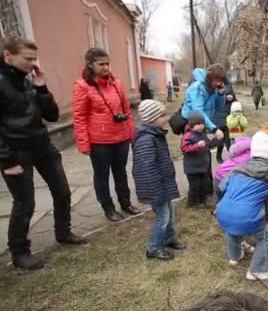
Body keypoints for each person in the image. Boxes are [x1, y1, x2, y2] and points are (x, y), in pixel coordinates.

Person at [0, 36, 88, 270]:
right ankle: (20, 252)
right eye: (27, 59)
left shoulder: (29, 80)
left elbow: (52, 116)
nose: (32, 63)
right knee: (24, 203)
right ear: (8, 56)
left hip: (43, 147)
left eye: (34, 58)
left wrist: (42, 87)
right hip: (16, 153)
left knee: (62, 192)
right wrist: (7, 160)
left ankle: (64, 232)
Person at [216, 131, 268, 281]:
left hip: (223, 212)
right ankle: (257, 270)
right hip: (247, 216)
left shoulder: (239, 168)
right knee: (267, 236)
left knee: (232, 228)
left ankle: (234, 256)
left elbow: (221, 187)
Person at [72, 48, 140, 222]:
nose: (106, 67)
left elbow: (127, 110)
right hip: (99, 141)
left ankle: (126, 203)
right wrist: (84, 143)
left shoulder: (116, 83)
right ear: (90, 64)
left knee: (121, 172)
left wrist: (132, 134)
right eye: (101, 64)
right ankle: (108, 208)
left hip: (121, 137)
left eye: (108, 63)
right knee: (102, 176)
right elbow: (79, 117)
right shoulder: (82, 86)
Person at [132, 99, 186, 260]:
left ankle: (168, 239)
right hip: (155, 187)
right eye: (162, 115)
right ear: (151, 118)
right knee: (163, 217)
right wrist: (156, 191)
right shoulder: (146, 139)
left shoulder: (155, 134)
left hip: (162, 184)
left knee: (170, 212)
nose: (167, 118)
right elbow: (146, 169)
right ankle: (153, 248)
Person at [181, 112, 220, 208]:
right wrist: (196, 146)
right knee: (194, 186)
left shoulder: (202, 135)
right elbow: (184, 148)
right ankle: (192, 204)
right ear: (191, 124)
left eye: (202, 123)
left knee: (204, 185)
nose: (200, 126)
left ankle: (202, 201)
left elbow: (208, 145)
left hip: (203, 167)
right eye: (197, 124)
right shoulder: (188, 136)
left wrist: (217, 140)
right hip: (192, 168)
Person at [213, 80, 237, 164]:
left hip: (228, 116)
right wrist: (225, 97)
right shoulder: (215, 86)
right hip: (218, 117)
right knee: (220, 139)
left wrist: (232, 98)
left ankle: (232, 157)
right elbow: (214, 100)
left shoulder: (229, 84)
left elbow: (234, 99)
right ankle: (219, 157)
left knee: (229, 139)